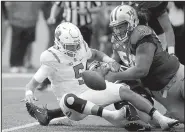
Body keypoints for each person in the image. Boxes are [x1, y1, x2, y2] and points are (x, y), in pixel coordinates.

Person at [24, 22, 179, 131]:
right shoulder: (51, 58)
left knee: (123, 90)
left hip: (89, 93)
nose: (75, 49)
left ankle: (160, 119)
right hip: (72, 106)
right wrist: (29, 93)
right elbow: (32, 84)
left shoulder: (80, 47)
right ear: (58, 43)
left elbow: (96, 53)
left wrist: (110, 60)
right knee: (68, 98)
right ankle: (112, 114)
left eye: (77, 45)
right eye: (71, 46)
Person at [105, 4, 184, 123]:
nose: (118, 31)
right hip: (162, 93)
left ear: (132, 22)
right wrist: (104, 72)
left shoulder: (141, 33)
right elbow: (114, 61)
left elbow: (141, 70)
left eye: (122, 26)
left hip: (178, 78)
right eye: (115, 27)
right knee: (158, 120)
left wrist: (115, 76)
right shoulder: (117, 41)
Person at [38, 1, 103, 90]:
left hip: (84, 28)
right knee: (57, 55)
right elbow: (57, 5)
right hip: (67, 29)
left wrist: (87, 10)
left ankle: (83, 82)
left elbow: (99, 7)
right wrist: (52, 16)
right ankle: (46, 81)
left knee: (83, 56)